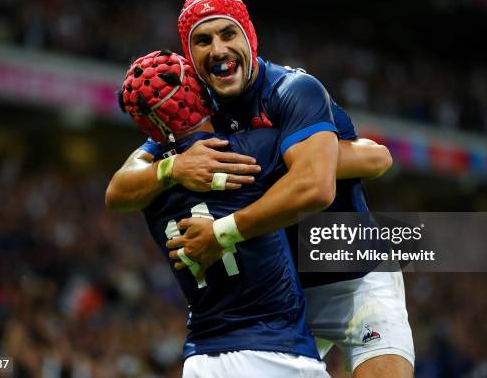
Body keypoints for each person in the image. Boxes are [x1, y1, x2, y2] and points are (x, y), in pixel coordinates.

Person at [106, 0, 413, 377]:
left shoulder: (292, 90)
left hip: (355, 275)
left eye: (227, 34)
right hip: (289, 295)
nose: (217, 49)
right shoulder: (197, 104)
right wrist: (171, 169)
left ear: (249, 37)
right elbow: (119, 190)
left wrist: (225, 228)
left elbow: (353, 168)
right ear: (189, 53)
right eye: (202, 40)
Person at [117, 49, 330, 377]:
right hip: (274, 352)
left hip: (201, 359)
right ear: (196, 90)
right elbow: (349, 164)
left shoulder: (147, 185)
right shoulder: (251, 149)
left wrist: (170, 164)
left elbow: (115, 192)